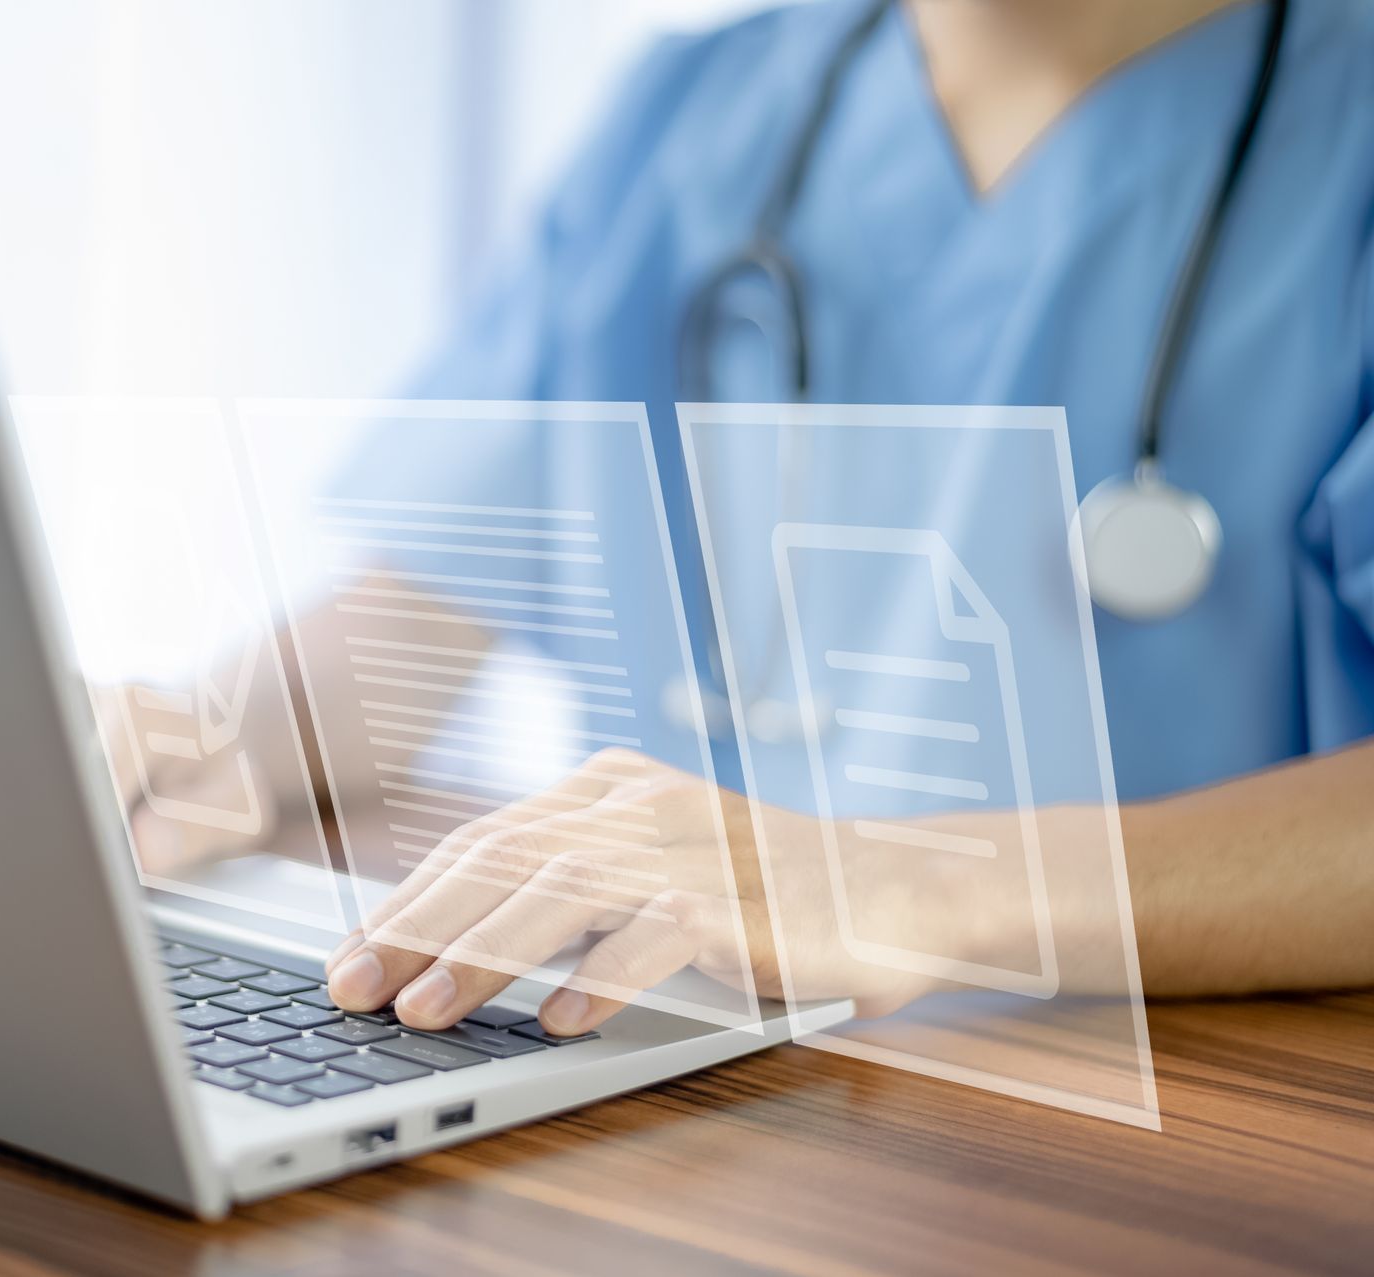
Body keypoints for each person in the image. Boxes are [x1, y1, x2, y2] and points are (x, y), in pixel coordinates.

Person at [117, 0, 1374, 1037]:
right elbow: (427, 600)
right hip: (664, 1055)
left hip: (1162, 1099)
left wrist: (916, 885)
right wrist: (194, 739)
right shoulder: (694, 114)